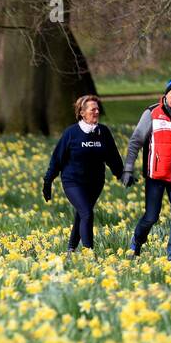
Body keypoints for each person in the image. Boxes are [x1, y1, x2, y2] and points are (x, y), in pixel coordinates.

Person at [123, 78, 171, 262]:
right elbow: (135, 142)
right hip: (155, 175)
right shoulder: (152, 114)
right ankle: (136, 243)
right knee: (151, 217)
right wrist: (128, 169)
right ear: (166, 95)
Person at [42, 94, 125, 253]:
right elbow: (57, 159)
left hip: (95, 183)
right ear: (82, 113)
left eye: (97, 109)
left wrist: (122, 174)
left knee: (82, 215)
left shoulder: (103, 132)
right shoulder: (71, 133)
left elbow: (113, 157)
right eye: (92, 109)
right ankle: (89, 253)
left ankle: (71, 250)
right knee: (87, 213)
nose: (96, 112)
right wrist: (48, 182)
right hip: (73, 182)